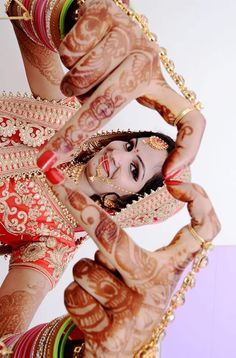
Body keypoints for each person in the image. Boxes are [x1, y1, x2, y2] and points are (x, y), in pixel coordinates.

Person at [0, 0, 206, 348]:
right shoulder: (63, 115)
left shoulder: (52, 245)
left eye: (135, 169)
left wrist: (75, 345)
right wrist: (74, 18)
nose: (119, 155)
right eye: (129, 146)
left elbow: (6, 341)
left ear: (126, 204)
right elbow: (21, 12)